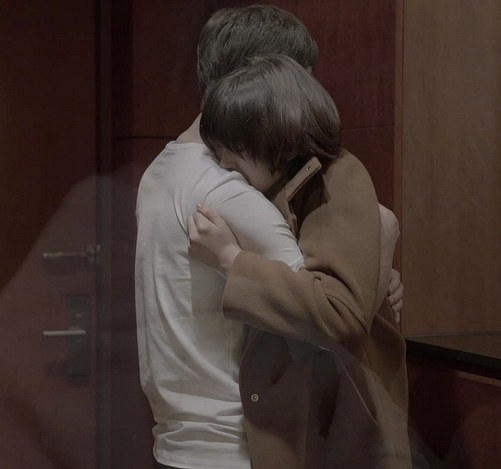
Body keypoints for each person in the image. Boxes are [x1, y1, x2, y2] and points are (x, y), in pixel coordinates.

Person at [135, 5, 405, 469]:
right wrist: (378, 264)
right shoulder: (227, 186)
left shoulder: (162, 170)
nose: (307, 96)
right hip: (237, 446)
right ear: (259, 81)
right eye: (300, 79)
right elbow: (332, 320)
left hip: (183, 441)